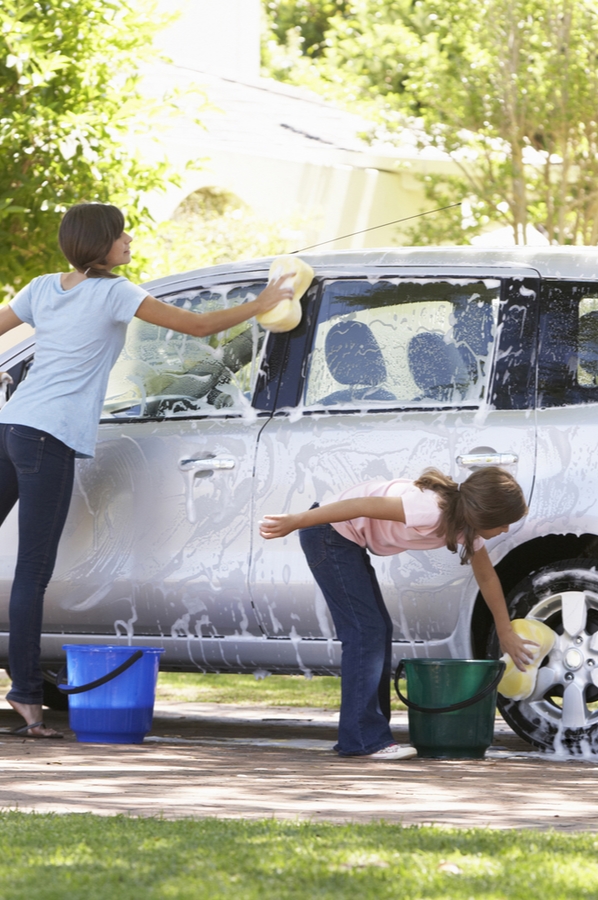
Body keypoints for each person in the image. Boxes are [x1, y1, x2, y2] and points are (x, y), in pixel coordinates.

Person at [0, 201, 294, 738]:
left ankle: (23, 689)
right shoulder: (116, 292)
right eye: (121, 234)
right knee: (32, 573)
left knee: (27, 571)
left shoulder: (43, 287)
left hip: (10, 427)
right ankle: (24, 694)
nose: (129, 240)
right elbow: (200, 326)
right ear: (100, 243)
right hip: (47, 439)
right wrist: (264, 302)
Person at [259, 467, 535, 760]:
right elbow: (360, 506)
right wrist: (296, 520)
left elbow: (488, 577)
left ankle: (364, 735)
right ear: (483, 515)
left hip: (342, 538)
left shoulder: (464, 526)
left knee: (376, 629)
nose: (506, 529)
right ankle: (364, 740)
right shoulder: (431, 508)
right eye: (504, 523)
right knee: (366, 631)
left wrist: (505, 631)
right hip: (327, 531)